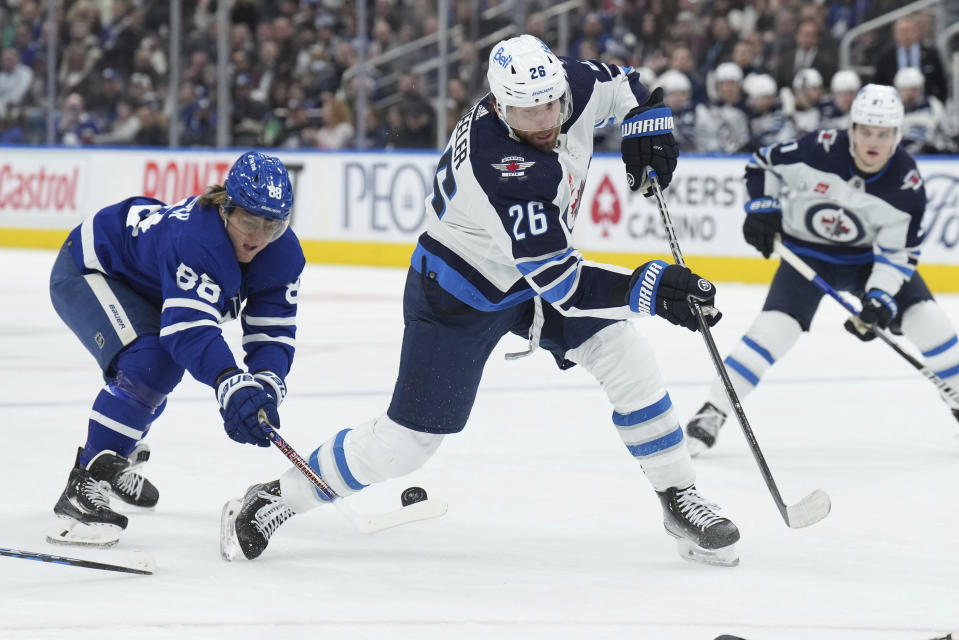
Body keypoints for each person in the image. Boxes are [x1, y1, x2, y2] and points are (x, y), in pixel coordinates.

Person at [221, 34, 741, 567]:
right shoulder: (505, 169)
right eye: (524, 111)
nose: (542, 121)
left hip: (527, 272)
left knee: (622, 351)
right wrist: (647, 288)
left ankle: (678, 497)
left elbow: (629, 84)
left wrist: (646, 121)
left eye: (549, 105)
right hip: (458, 292)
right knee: (407, 445)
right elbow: (562, 285)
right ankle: (278, 497)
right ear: (497, 104)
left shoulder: (569, 84)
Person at [685, 84, 959, 455]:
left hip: (867, 263)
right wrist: (763, 207)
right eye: (865, 131)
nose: (872, 143)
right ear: (852, 128)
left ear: (897, 135)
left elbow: (897, 256)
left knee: (930, 322)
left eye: (883, 134)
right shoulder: (819, 149)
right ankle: (714, 410)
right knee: (772, 332)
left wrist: (878, 301)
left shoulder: (906, 185)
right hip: (806, 256)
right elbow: (764, 163)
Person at [48, 151, 304, 547]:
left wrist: (267, 384)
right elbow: (189, 332)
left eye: (272, 224)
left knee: (157, 367)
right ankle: (86, 481)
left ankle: (116, 454)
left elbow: (273, 330)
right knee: (152, 363)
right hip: (90, 269)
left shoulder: (282, 253)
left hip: (147, 285)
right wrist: (231, 382)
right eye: (248, 220)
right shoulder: (197, 241)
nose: (258, 236)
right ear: (225, 208)